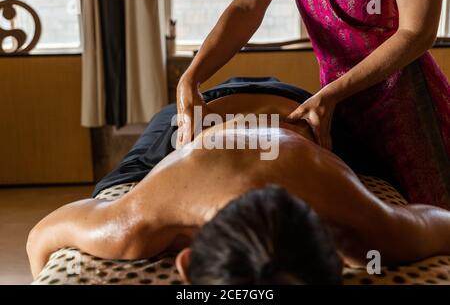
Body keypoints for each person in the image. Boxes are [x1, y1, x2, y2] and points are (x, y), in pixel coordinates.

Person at [27, 91, 450, 284]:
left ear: (187, 267)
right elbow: (39, 240)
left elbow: (41, 238)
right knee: (125, 179)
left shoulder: (372, 231)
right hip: (196, 118)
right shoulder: (131, 224)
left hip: (300, 113)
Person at [176, 0, 450, 208]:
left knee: (433, 231)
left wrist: (331, 93)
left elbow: (418, 32)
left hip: (409, 111)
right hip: (336, 112)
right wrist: (192, 76)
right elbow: (248, 5)